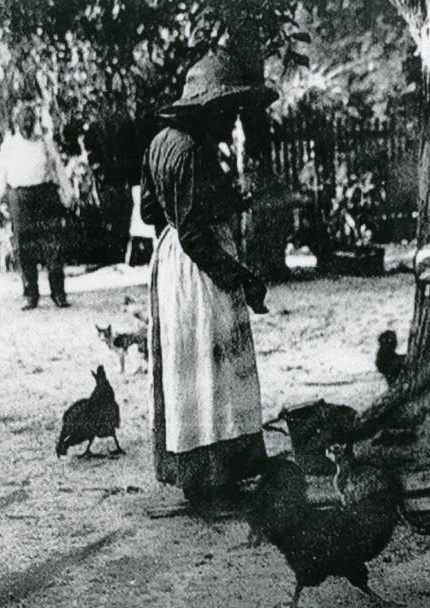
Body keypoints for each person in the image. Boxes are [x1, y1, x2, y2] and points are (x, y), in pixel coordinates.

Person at [141, 50, 277, 503]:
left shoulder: (161, 142)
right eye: (228, 111)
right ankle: (216, 472)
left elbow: (149, 212)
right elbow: (196, 235)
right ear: (209, 108)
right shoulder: (193, 151)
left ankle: (194, 470)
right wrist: (240, 277)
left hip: (171, 264)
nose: (231, 121)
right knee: (212, 364)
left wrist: (218, 206)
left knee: (186, 365)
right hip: (201, 267)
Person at [0, 104, 75, 309]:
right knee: (24, 246)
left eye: (30, 119)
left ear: (35, 121)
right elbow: (0, 175)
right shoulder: (9, 145)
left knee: (53, 244)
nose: (27, 123)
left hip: (45, 195)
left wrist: (68, 194)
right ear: (17, 123)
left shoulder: (45, 143)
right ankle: (31, 294)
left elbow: (58, 169)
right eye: (23, 120)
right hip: (20, 198)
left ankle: (58, 293)